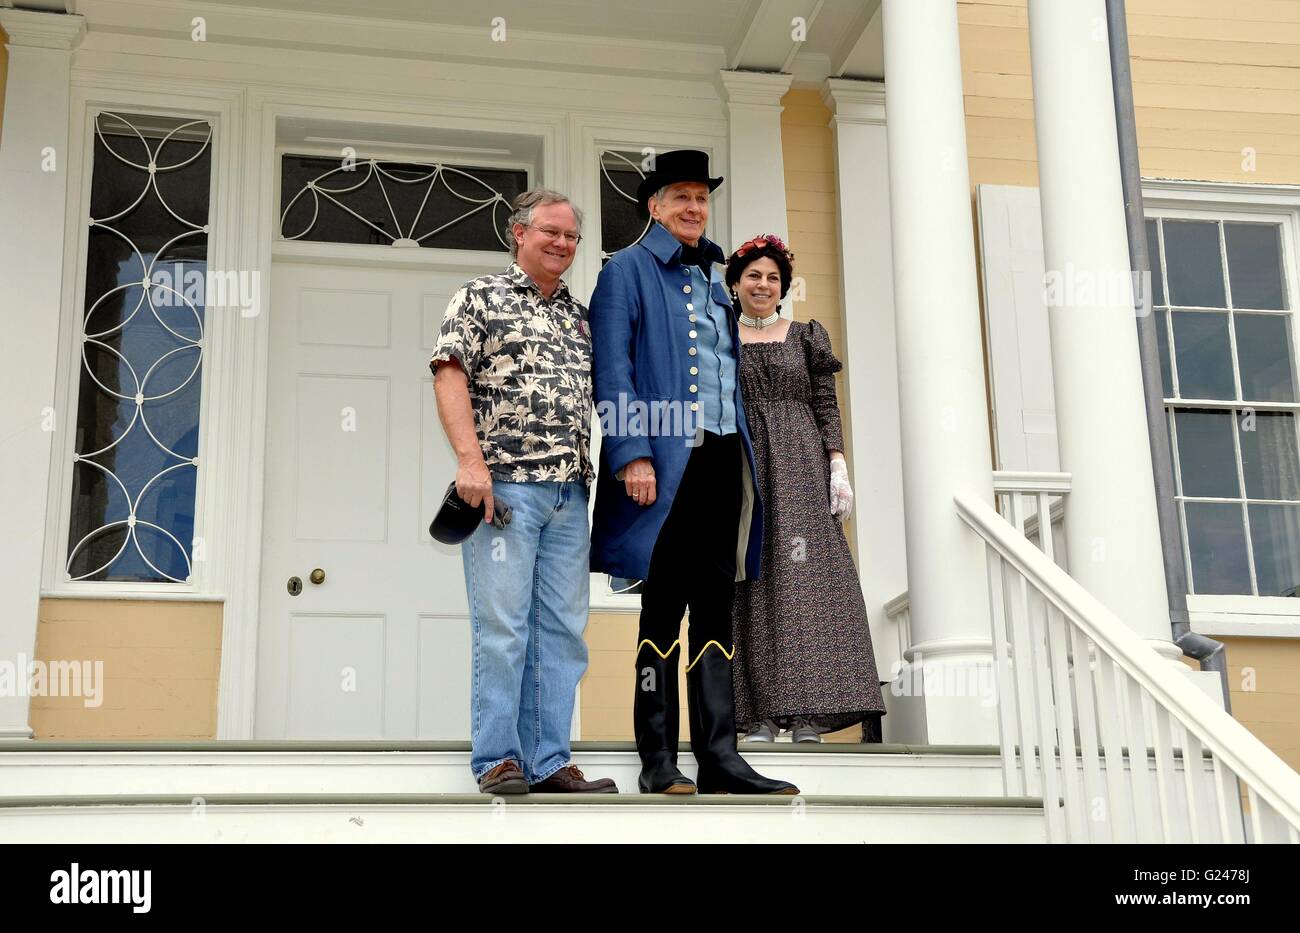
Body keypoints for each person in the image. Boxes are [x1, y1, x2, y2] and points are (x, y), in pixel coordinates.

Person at [588, 150, 797, 795]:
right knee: (662, 608)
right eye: (679, 196)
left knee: (715, 605)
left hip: (723, 459)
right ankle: (657, 760)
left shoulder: (716, 270)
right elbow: (613, 369)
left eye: (701, 198)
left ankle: (720, 757)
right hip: (662, 464)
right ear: (653, 205)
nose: (692, 207)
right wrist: (631, 454)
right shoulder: (624, 271)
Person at [430, 188, 616, 795]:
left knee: (561, 631)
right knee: (504, 627)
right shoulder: (479, 296)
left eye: (571, 237)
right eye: (550, 233)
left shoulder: (578, 315)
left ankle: (550, 761)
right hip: (504, 492)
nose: (562, 244)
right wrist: (469, 463)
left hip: (569, 496)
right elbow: (449, 372)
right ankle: (497, 759)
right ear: (519, 233)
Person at [723, 233, 886, 745]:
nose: (763, 285)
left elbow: (825, 402)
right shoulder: (718, 335)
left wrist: (837, 462)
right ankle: (756, 715)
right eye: (754, 275)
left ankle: (807, 714)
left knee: (807, 582)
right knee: (749, 581)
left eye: (773, 278)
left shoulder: (806, 335)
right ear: (735, 282)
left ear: (783, 286)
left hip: (800, 464)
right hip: (742, 462)